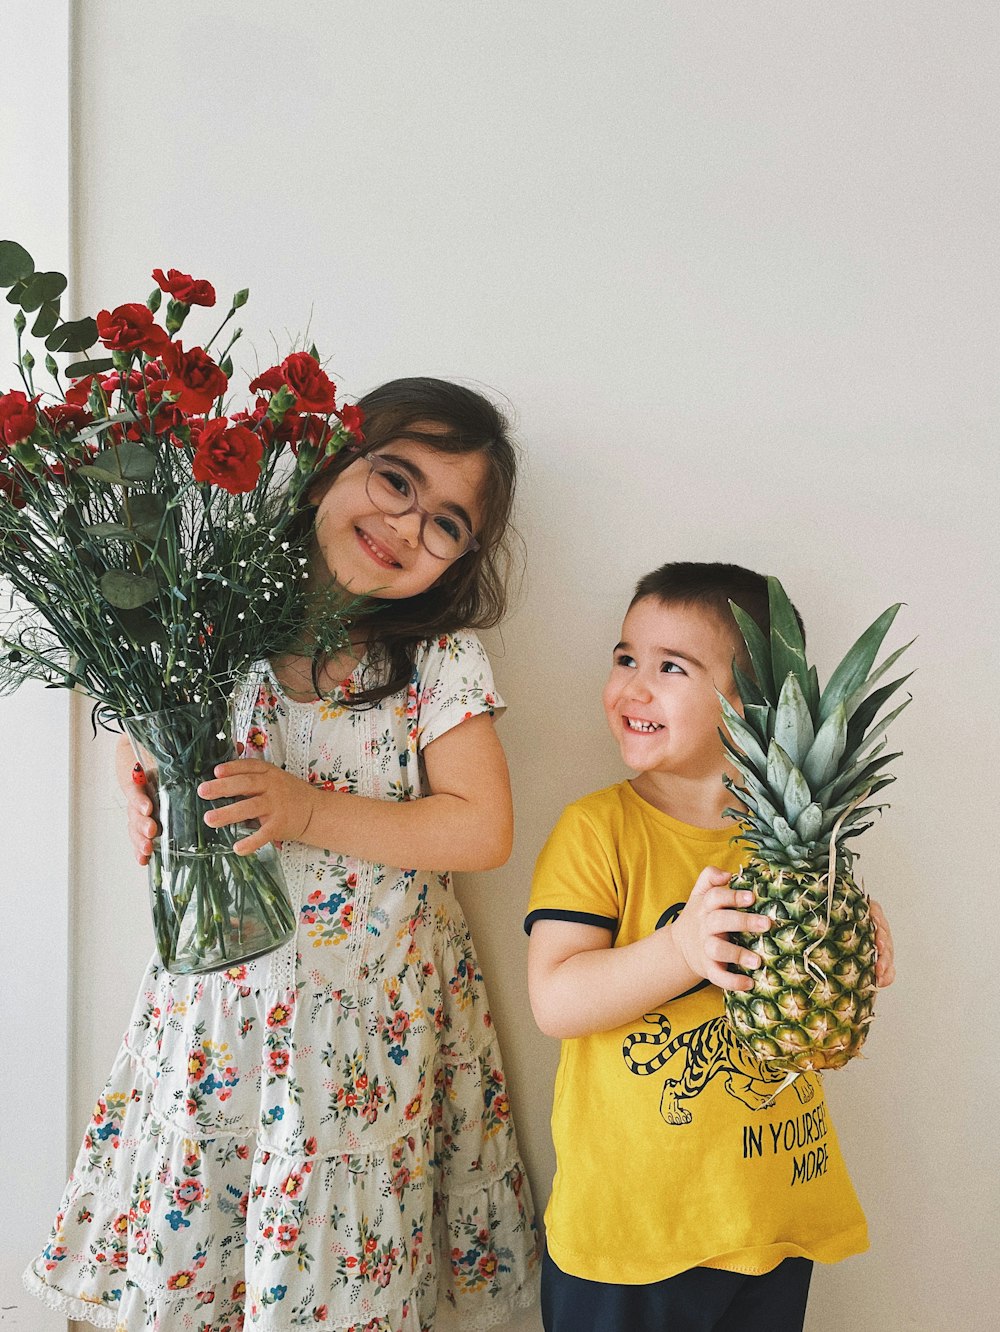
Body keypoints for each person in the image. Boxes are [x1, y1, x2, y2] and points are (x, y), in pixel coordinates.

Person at [24, 378, 539, 1332]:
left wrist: (307, 810)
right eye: (394, 480)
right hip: (224, 1012)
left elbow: (481, 828)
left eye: (445, 525)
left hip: (364, 1033)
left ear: (460, 561)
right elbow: (138, 716)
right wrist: (145, 775)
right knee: (191, 1258)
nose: (405, 524)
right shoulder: (211, 619)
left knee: (338, 1276)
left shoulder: (438, 659)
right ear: (325, 473)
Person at [525, 561, 895, 1332]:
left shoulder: (800, 856)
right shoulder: (598, 830)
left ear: (752, 704)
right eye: (626, 657)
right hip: (633, 1233)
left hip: (772, 1206)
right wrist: (680, 950)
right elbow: (555, 999)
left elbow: (821, 1028)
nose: (634, 685)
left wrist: (861, 950)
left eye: (671, 667)